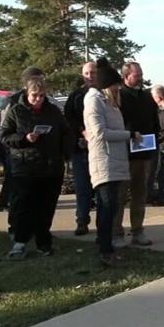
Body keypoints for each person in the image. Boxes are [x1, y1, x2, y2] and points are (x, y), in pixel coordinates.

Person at [1, 77, 73, 259]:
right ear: (27, 93)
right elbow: (4, 136)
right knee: (24, 207)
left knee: (46, 207)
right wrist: (24, 139)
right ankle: (20, 242)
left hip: (51, 167)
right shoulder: (16, 111)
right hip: (25, 166)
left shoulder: (53, 111)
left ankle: (44, 242)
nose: (38, 99)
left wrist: (65, 154)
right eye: (35, 96)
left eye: (42, 96)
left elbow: (66, 132)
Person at [84, 59, 132, 266]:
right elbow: (99, 132)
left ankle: (107, 246)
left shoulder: (110, 103)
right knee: (106, 207)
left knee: (111, 208)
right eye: (115, 86)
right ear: (107, 86)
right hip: (103, 161)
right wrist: (128, 135)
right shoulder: (94, 101)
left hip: (116, 160)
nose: (118, 90)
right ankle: (105, 250)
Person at [0, 65, 45, 230]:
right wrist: (18, 142)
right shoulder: (13, 102)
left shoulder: (45, 101)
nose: (41, 82)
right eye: (37, 79)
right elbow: (3, 131)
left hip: (39, 156)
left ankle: (32, 227)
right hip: (16, 154)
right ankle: (15, 227)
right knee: (17, 194)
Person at [119, 61, 159, 247]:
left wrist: (153, 141)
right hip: (124, 153)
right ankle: (116, 231)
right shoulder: (119, 96)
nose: (140, 78)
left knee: (139, 193)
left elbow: (154, 121)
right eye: (137, 75)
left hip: (143, 153)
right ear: (126, 76)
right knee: (120, 194)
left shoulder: (146, 96)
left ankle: (137, 230)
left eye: (141, 74)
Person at [64, 61, 97, 236]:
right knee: (82, 187)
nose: (90, 76)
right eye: (86, 73)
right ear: (82, 75)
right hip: (80, 149)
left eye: (93, 72)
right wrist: (81, 131)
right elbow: (68, 119)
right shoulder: (75, 96)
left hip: (100, 149)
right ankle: (82, 221)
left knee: (101, 189)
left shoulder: (104, 95)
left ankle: (105, 225)